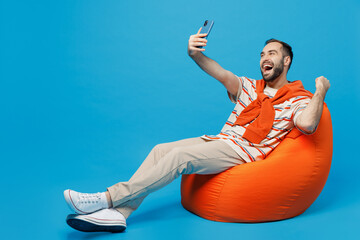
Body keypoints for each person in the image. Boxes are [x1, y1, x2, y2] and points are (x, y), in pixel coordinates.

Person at [64, 28, 330, 233]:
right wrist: (196, 54)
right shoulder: (250, 86)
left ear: (287, 60)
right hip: (220, 140)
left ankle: (106, 198)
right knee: (160, 150)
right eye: (261, 54)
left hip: (242, 151)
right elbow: (219, 72)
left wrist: (320, 91)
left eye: (271, 53)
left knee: (180, 159)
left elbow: (308, 124)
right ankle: (120, 214)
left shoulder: (298, 98)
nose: (264, 58)